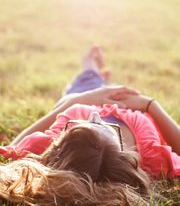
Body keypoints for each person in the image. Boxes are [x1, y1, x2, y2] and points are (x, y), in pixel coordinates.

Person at [0, 46, 179, 206]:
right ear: (126, 157)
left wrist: (75, 101)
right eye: (102, 126)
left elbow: (12, 149)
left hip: (84, 95)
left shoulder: (50, 142)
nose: (95, 115)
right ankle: (101, 75)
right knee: (108, 84)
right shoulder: (151, 158)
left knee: (87, 79)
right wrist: (151, 105)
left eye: (78, 127)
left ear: (57, 150)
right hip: (131, 101)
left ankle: (91, 66)